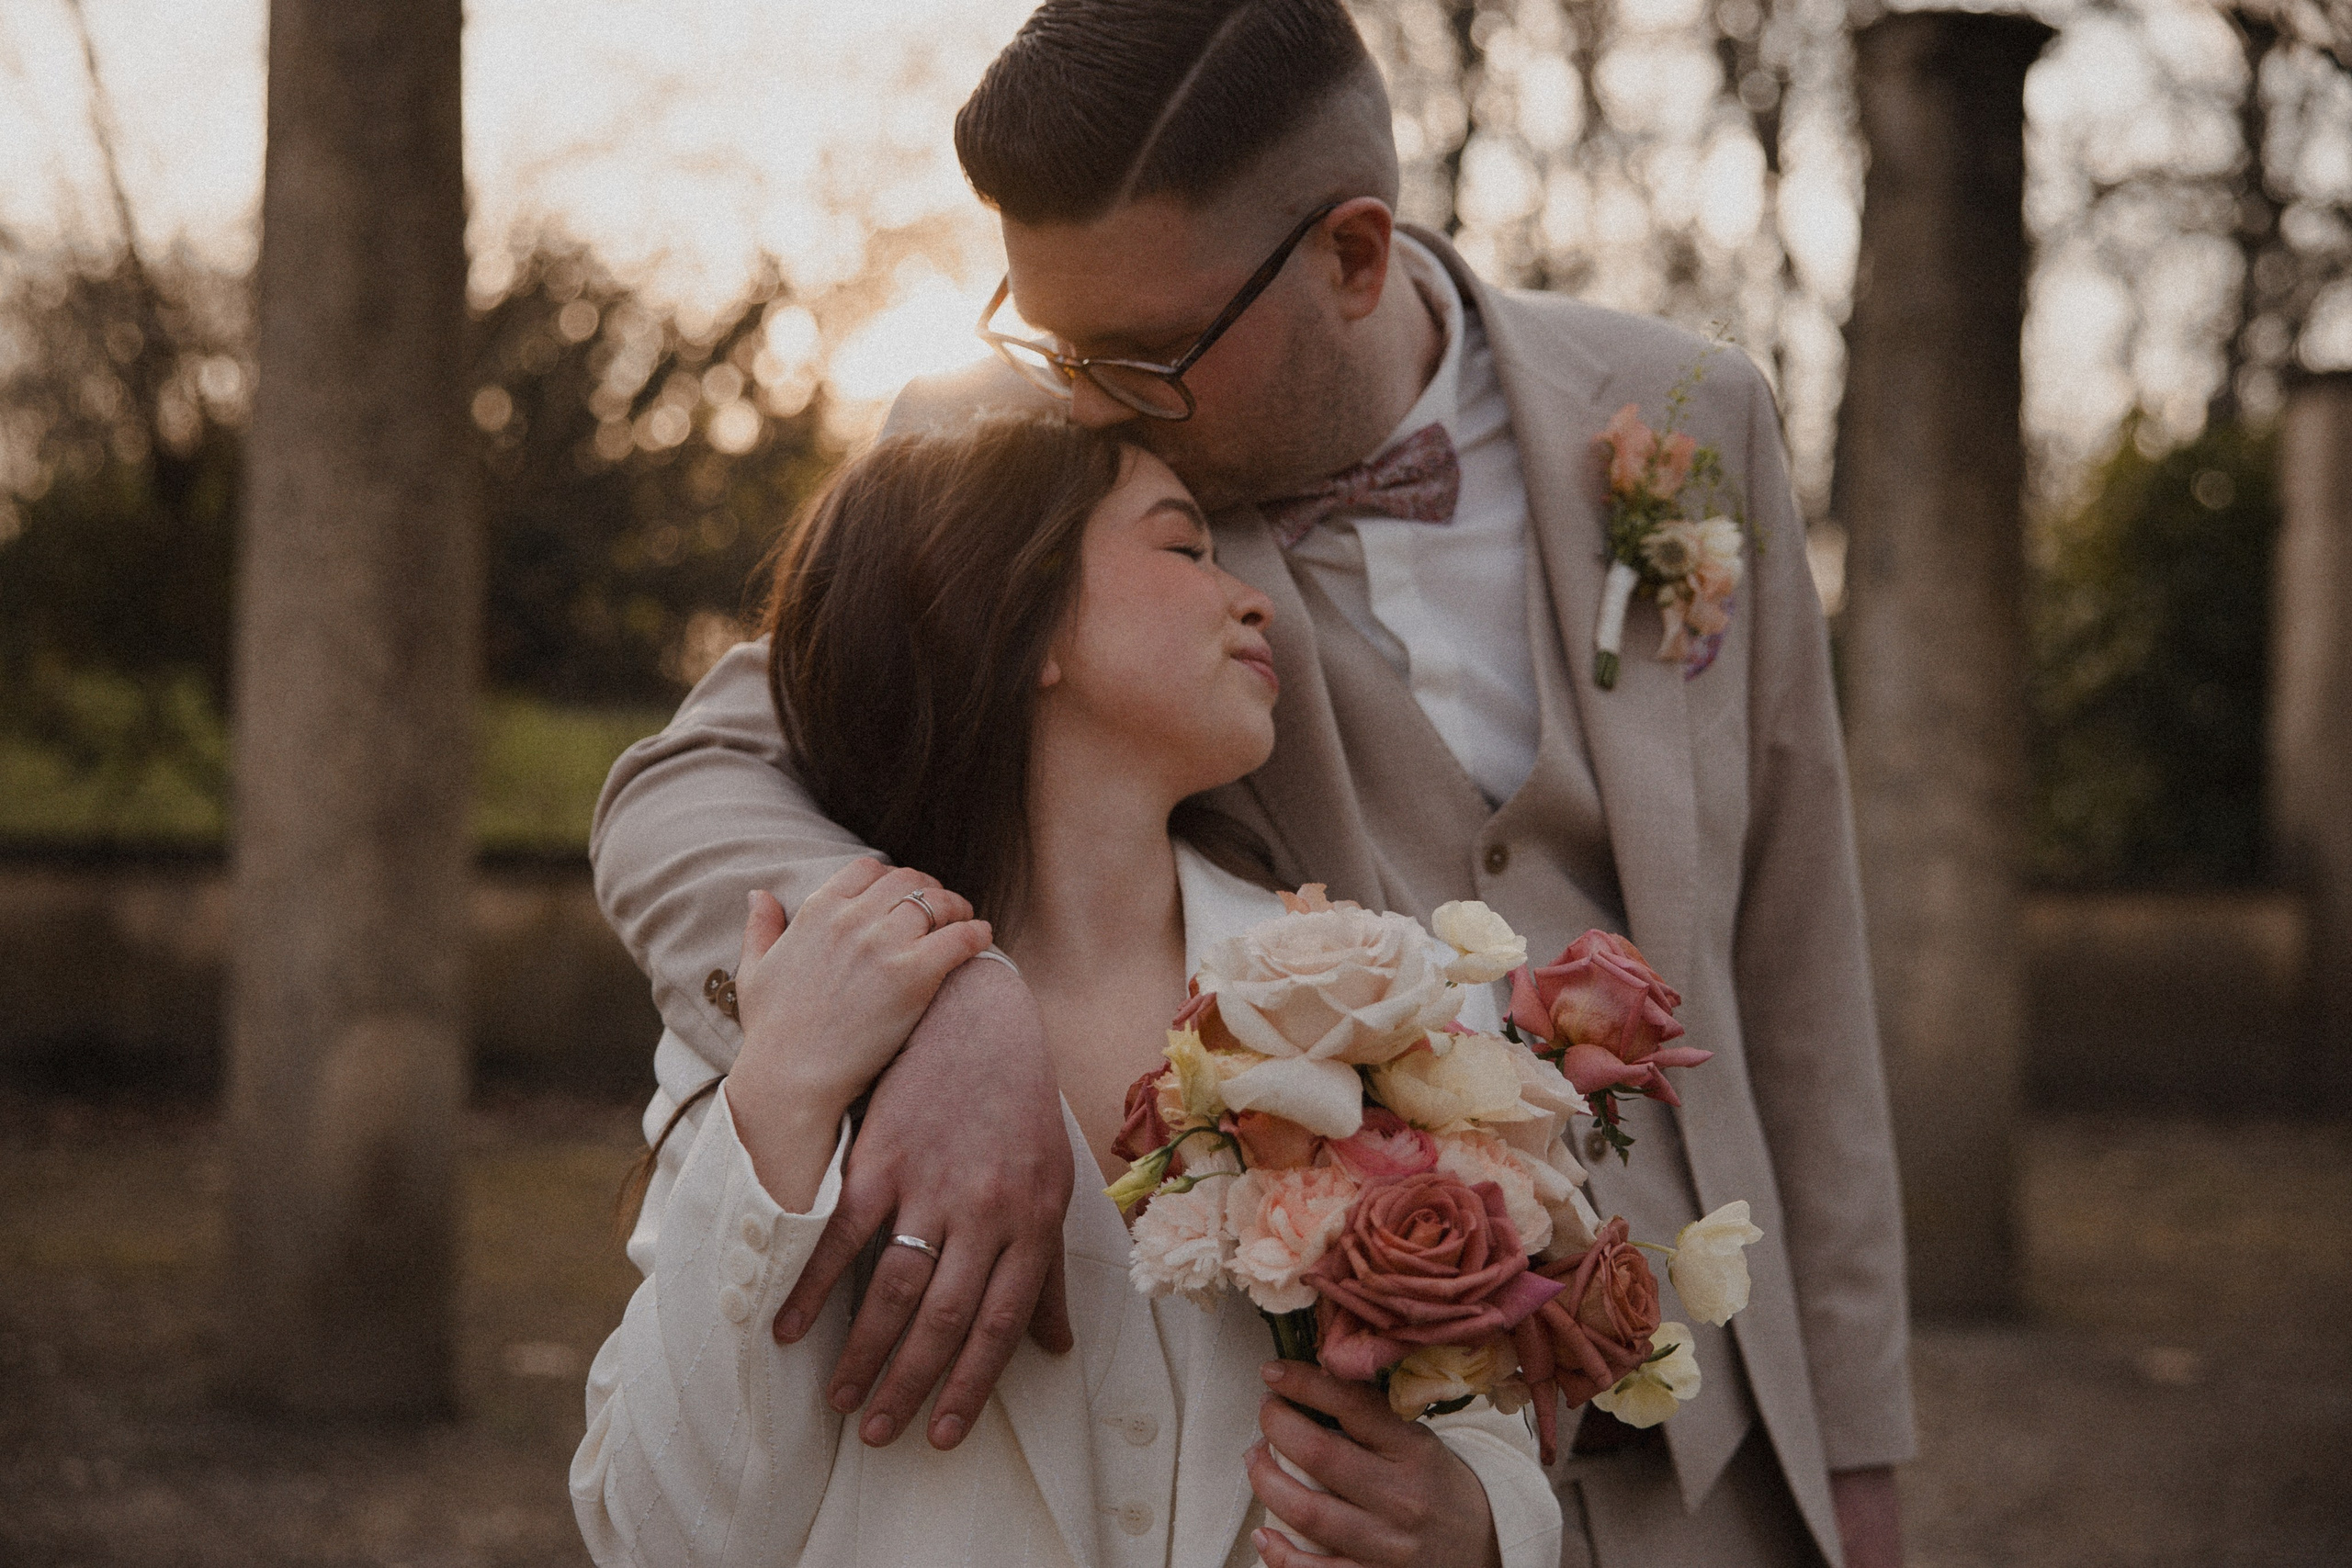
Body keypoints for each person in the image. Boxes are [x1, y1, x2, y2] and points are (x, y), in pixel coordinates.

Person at [589, 3, 1916, 1565]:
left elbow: (1800, 969)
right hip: (1315, 1411)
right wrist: (947, 990)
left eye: (1142, 351)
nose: (1080, 394)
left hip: (1704, 1420)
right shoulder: (1025, 468)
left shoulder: (1693, 415)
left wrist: (1858, 1449)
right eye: (1042, 328)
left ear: (1357, 258)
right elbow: (691, 786)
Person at [572, 415, 1563, 1568]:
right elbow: (656, 1537)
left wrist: (1482, 1524)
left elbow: (1492, 1432)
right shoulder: (801, 1013)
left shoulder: (1392, 998)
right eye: (1183, 551)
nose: (1253, 600)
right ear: (1023, 615)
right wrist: (785, 1101)